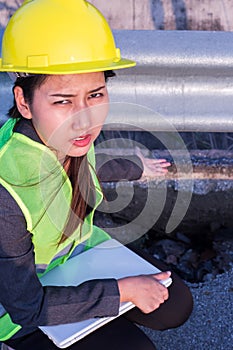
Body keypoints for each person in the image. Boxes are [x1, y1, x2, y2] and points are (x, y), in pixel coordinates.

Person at [0, 0, 193, 349]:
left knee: (175, 304)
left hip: (77, 257)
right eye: (63, 101)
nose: (85, 118)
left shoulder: (64, 138)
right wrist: (122, 291)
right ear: (24, 102)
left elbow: (91, 167)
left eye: (96, 94)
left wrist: (137, 167)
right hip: (21, 308)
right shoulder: (5, 192)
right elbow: (26, 306)